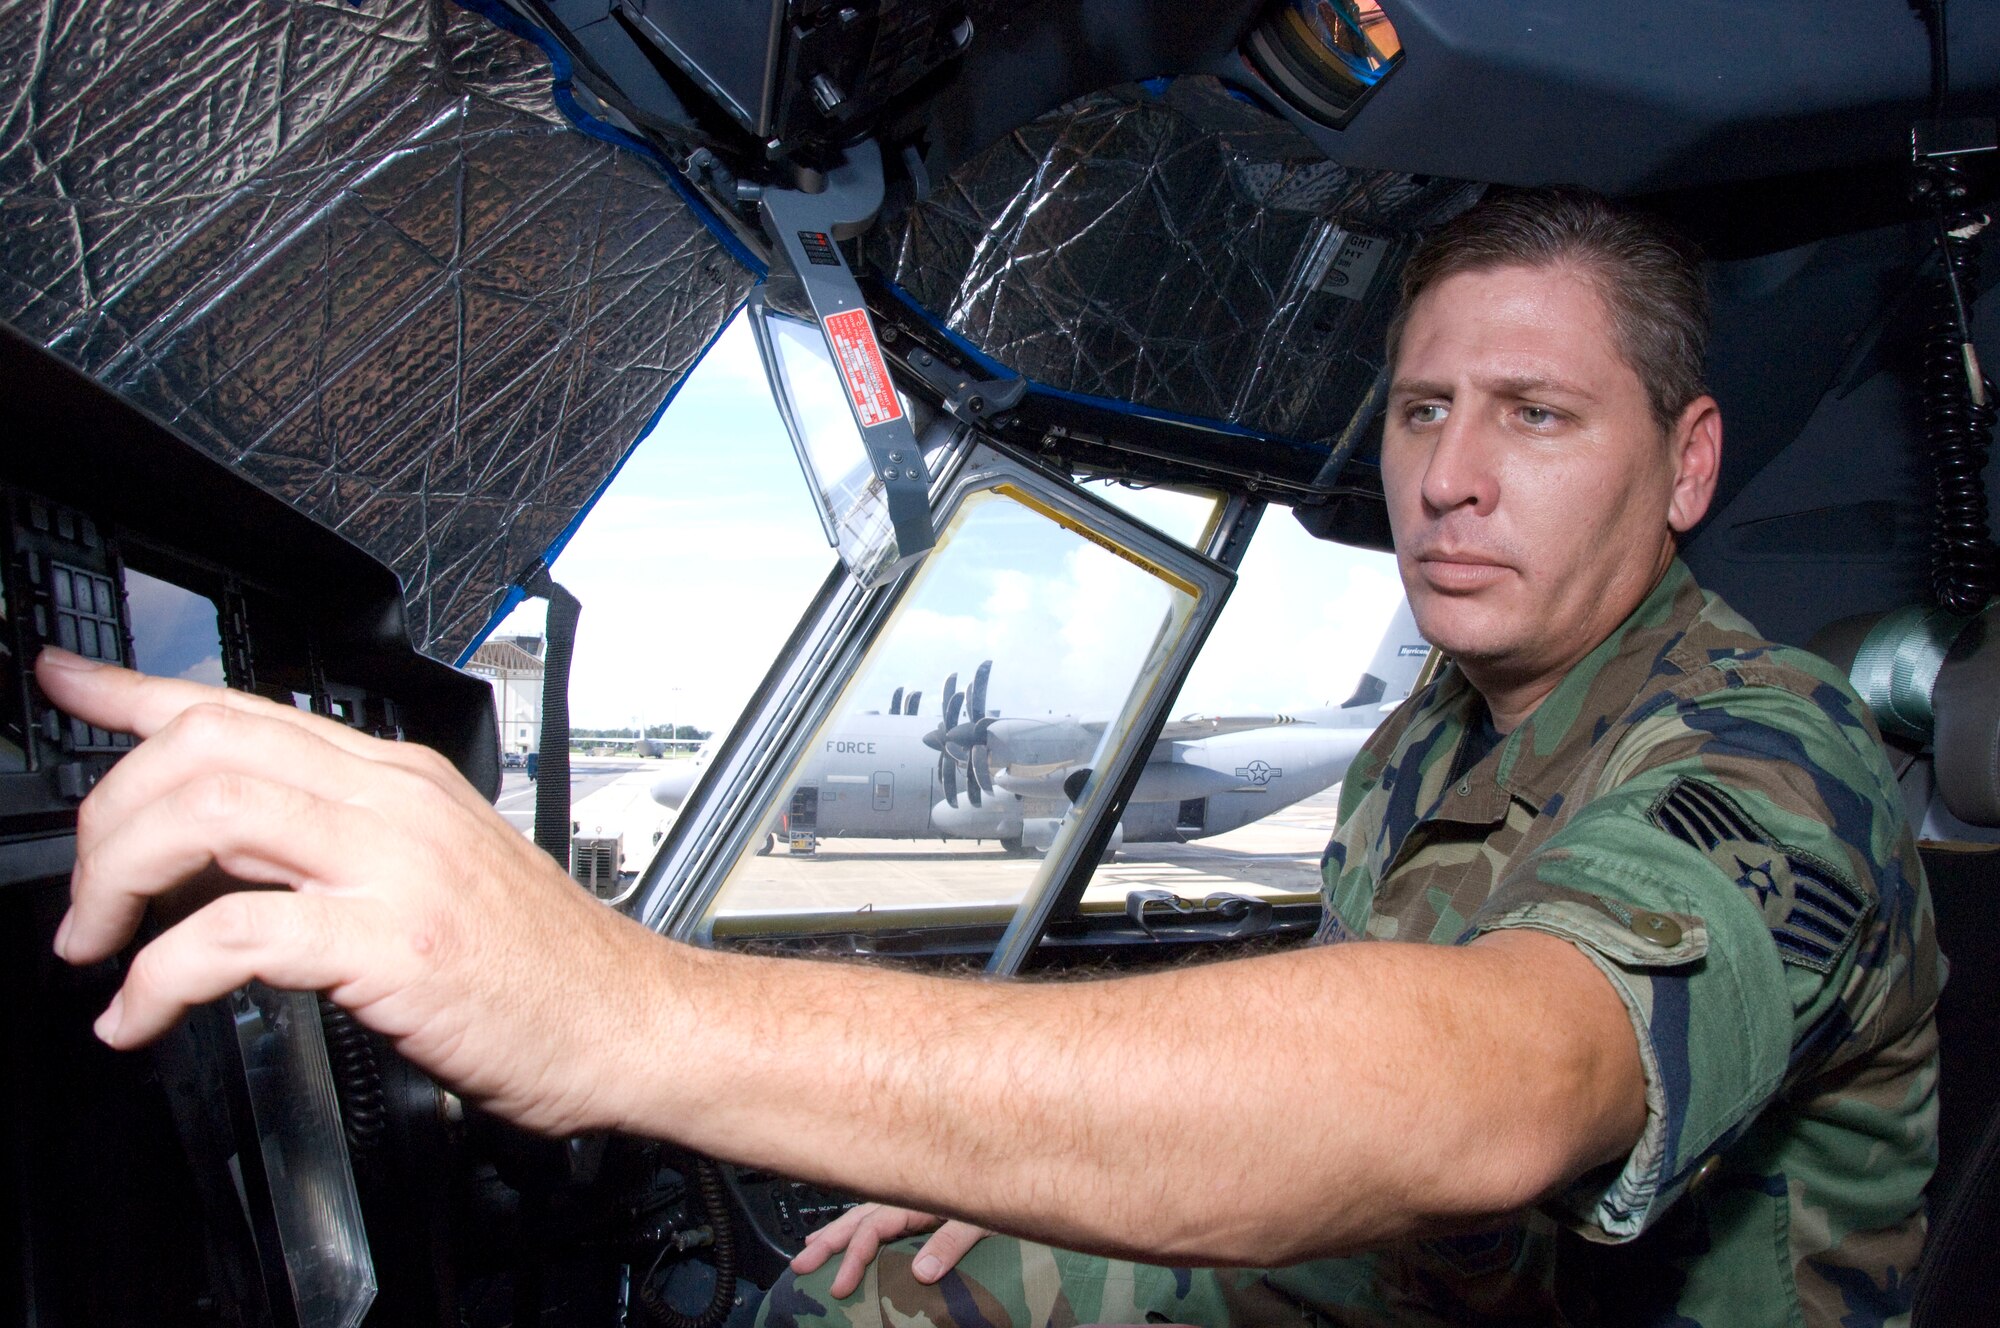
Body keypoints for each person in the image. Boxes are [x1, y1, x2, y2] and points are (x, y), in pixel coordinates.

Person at [37, 189, 1938, 1326]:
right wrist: (1030, 1157)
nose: (1448, 473)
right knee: (878, 1284)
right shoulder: (1435, 735)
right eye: (1424, 406)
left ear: (1685, 465)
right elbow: (1360, 1005)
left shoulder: (1778, 751)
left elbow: (1498, 1090)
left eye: (1536, 415)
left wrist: (612, 1000)